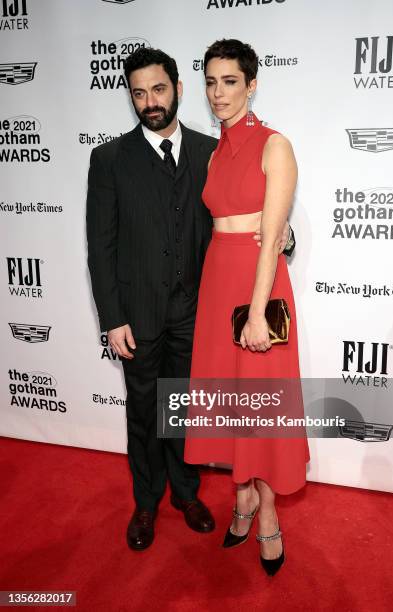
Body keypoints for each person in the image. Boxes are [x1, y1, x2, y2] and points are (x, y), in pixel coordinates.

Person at [86, 47, 293, 552]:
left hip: (198, 311)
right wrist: (112, 318)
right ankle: (145, 503)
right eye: (139, 93)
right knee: (143, 410)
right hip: (138, 315)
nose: (150, 101)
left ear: (178, 90)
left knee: (183, 410)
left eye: (159, 89)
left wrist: (284, 237)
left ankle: (186, 494)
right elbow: (100, 244)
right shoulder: (110, 158)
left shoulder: (209, 151)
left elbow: (249, 216)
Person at [184, 39, 310, 576]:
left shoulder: (274, 145)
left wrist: (258, 312)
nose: (218, 93)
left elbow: (274, 234)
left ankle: (268, 517)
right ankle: (241, 497)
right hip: (218, 285)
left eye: (230, 81)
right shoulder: (213, 152)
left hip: (258, 288)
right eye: (211, 82)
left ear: (252, 84)